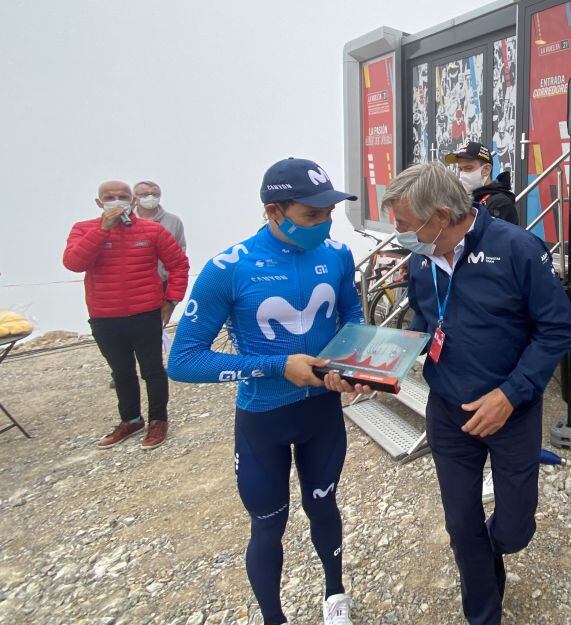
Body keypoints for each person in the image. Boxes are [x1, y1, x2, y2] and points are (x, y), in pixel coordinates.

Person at [168, 158, 364, 625]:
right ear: (274, 211)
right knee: (268, 524)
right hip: (263, 419)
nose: (325, 224)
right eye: (311, 216)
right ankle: (273, 618)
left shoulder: (336, 254)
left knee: (324, 506)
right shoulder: (228, 268)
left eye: (328, 214)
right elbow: (184, 361)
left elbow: (352, 315)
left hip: (322, 412)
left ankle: (334, 594)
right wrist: (278, 366)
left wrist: (354, 364)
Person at [383, 162, 571, 625]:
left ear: (442, 216)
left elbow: (558, 328)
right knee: (460, 524)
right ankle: (483, 614)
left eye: (405, 226)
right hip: (448, 412)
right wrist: (385, 362)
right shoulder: (420, 259)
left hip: (510, 412)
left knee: (514, 530)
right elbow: (425, 321)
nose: (399, 236)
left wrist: (510, 394)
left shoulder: (517, 249)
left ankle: (491, 551)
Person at [63, 181, 189, 450]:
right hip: (104, 316)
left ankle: (158, 421)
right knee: (121, 372)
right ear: (99, 203)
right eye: (109, 197)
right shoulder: (83, 229)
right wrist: (102, 230)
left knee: (153, 370)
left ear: (132, 201)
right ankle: (131, 420)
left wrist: (172, 300)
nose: (116, 200)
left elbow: (178, 264)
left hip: (145, 313)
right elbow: (74, 263)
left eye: (122, 196)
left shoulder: (152, 230)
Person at [444, 141, 519, 225]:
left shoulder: (499, 204)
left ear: (486, 169)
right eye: (460, 169)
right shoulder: (470, 198)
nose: (462, 174)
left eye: (468, 168)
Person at [134, 180, 187, 284]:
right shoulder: (125, 221)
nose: (151, 197)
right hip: (133, 283)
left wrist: (167, 275)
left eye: (155, 194)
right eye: (145, 194)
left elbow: (180, 250)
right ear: (134, 198)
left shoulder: (173, 220)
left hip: (162, 282)